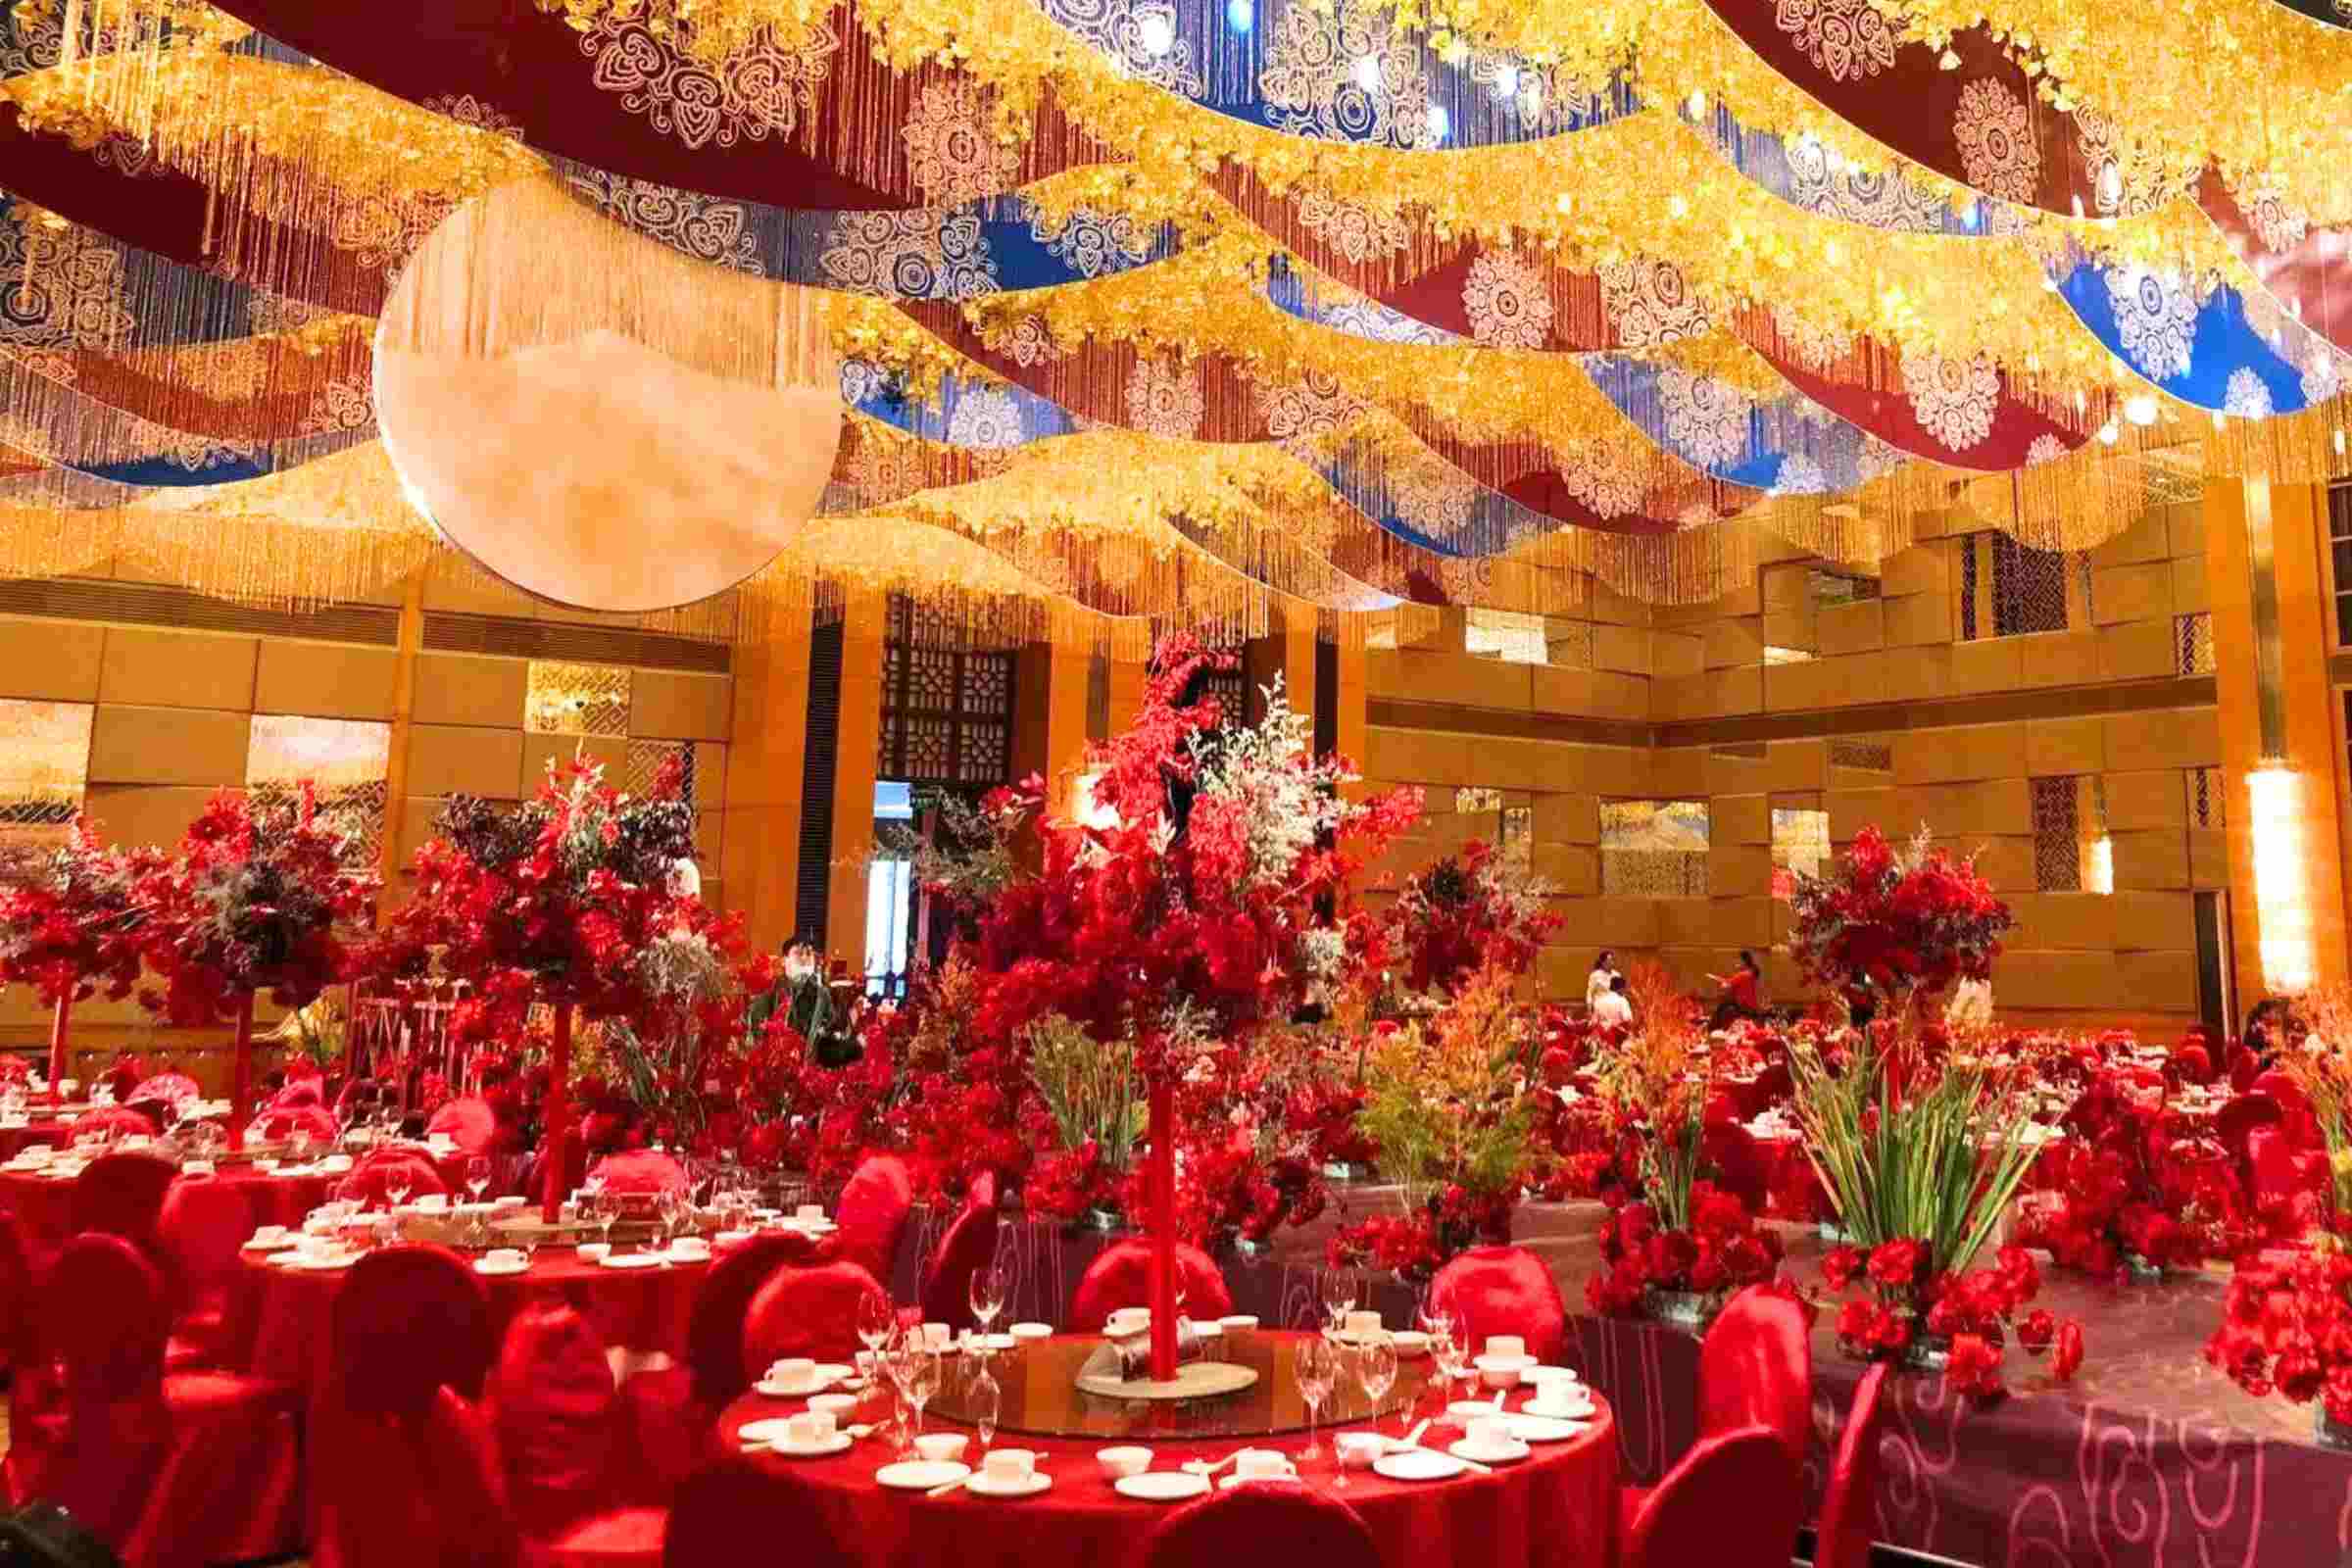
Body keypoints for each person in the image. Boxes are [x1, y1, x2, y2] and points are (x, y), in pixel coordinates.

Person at [748, 935, 860, 1067]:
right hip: (775, 1068)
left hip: (808, 1069)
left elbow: (827, 1037)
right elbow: (757, 1040)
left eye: (809, 954)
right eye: (799, 953)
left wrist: (851, 1045)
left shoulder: (822, 995)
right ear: (784, 960)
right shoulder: (769, 994)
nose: (805, 958)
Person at [1706, 951, 1766, 1032]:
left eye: (1738, 960)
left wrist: (1722, 984)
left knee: (1722, 1007)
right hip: (1752, 1007)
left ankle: (1712, 1030)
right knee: (1726, 1005)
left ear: (1743, 961)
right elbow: (1732, 983)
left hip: (1744, 1007)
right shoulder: (1752, 974)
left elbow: (1726, 986)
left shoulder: (1743, 975)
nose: (1736, 963)